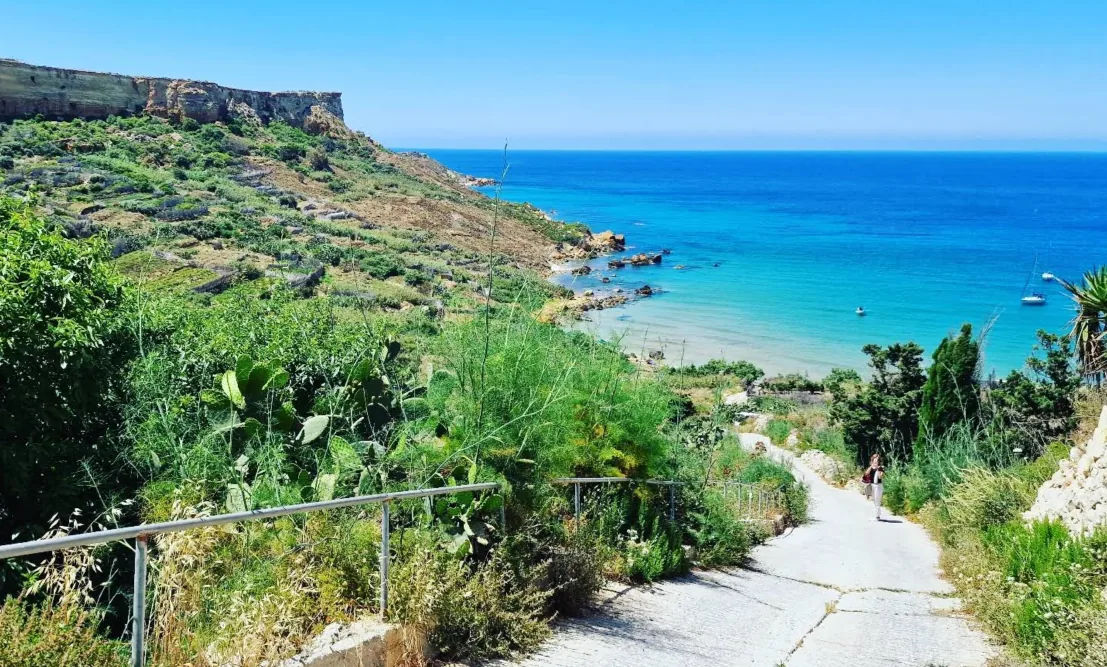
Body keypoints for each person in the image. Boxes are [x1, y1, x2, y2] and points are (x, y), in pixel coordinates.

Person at [862, 454, 885, 520]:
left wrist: (879, 470)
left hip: (878, 486)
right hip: (872, 485)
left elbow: (880, 477)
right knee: (874, 500)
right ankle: (878, 514)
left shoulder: (881, 467)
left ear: (879, 461)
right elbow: (866, 474)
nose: (875, 463)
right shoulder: (871, 468)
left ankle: (877, 516)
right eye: (873, 461)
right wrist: (871, 466)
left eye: (876, 461)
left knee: (877, 500)